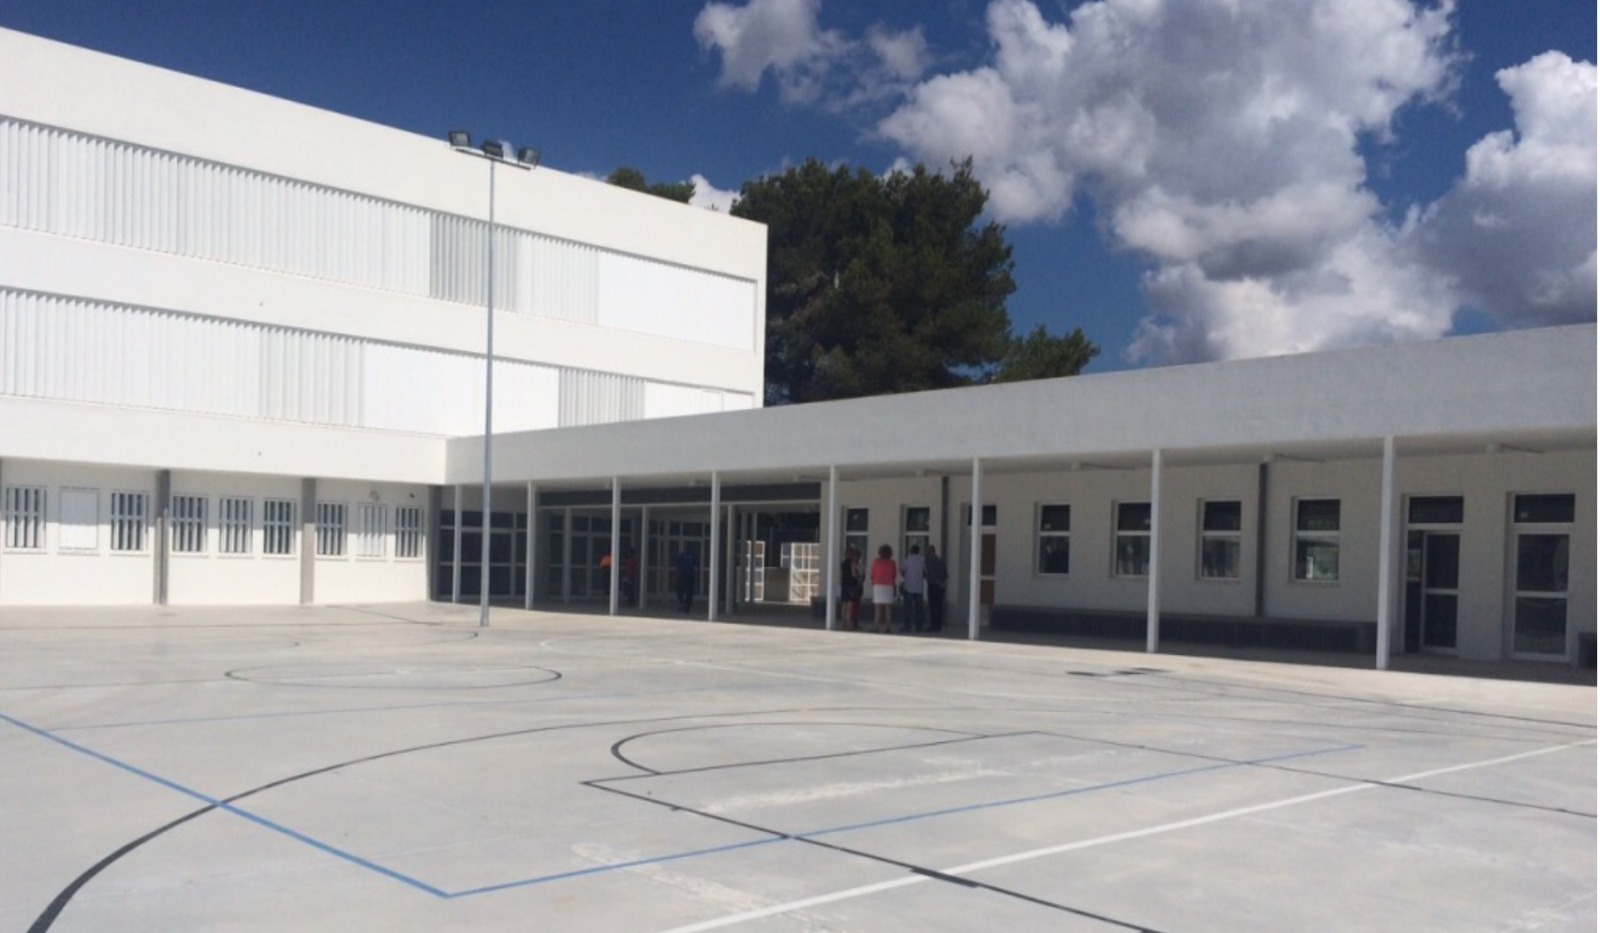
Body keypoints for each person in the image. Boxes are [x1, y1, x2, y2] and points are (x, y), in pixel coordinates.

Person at [869, 544, 897, 633]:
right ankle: (888, 627)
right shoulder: (892, 562)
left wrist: (873, 580)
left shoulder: (876, 562)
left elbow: (872, 573)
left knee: (878, 607)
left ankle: (876, 626)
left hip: (878, 585)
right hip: (889, 585)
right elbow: (894, 575)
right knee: (887, 607)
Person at [900, 544, 927, 632]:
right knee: (919, 608)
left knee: (908, 608)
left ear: (911, 551)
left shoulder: (907, 560)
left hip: (909, 586)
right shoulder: (922, 560)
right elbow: (925, 572)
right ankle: (919, 626)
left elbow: (902, 571)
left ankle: (907, 626)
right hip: (919, 587)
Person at [925, 544, 948, 632]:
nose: (926, 553)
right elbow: (945, 574)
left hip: (933, 585)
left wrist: (937, 582)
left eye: (927, 552)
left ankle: (933, 625)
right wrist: (943, 584)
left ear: (930, 552)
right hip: (941, 587)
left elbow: (932, 574)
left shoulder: (930, 561)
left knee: (933, 606)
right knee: (939, 606)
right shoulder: (941, 561)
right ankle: (938, 625)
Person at [840, 547, 864, 630]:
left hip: (844, 585)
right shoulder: (853, 563)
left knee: (844, 605)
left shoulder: (843, 564)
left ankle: (843, 623)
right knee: (850, 606)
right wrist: (859, 575)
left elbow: (841, 576)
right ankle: (848, 624)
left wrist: (841, 583)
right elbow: (854, 574)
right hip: (852, 585)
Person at [674, 545, 699, 613]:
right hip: (686, 576)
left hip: (686, 576)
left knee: (686, 592)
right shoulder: (689, 556)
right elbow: (696, 566)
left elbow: (678, 566)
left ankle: (685, 605)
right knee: (683, 591)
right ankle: (684, 604)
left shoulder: (686, 556)